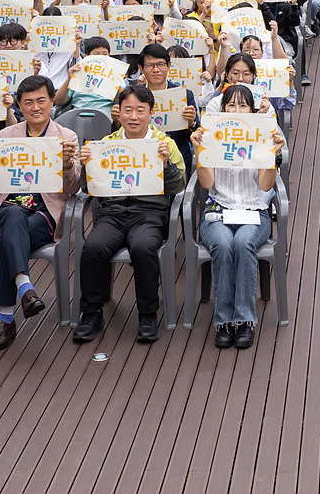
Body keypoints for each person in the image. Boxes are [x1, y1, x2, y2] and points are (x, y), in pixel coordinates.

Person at [0, 76, 81, 354]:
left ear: (51, 101)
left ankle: (6, 317)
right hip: (8, 209)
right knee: (12, 217)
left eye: (41, 100)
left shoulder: (66, 137)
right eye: (28, 102)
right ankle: (25, 289)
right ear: (19, 106)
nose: (35, 107)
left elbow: (72, 188)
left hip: (43, 215)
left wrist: (67, 164)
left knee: (12, 232)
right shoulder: (5, 136)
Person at [74, 85, 187, 344]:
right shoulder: (105, 144)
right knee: (93, 247)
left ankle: (147, 314)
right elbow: (87, 187)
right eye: (128, 110)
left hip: (149, 213)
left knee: (144, 247)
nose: (133, 116)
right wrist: (85, 166)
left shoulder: (164, 144)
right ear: (119, 113)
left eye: (140, 110)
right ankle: (91, 312)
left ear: (150, 113)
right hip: (112, 213)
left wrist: (166, 165)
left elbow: (179, 186)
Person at [190, 84, 285, 349]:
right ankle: (223, 320)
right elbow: (207, 183)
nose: (236, 109)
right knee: (222, 243)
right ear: (222, 110)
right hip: (218, 211)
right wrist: (199, 151)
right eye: (230, 105)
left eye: (243, 105)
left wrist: (272, 155)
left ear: (252, 111)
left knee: (243, 243)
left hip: (254, 213)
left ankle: (244, 319)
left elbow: (266, 186)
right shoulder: (212, 137)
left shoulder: (261, 138)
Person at [137, 43, 199, 172]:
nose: (155, 70)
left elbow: (194, 136)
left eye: (160, 65)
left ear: (169, 66)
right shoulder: (133, 96)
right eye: (150, 65)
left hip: (177, 160)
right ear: (141, 68)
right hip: (140, 159)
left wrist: (191, 123)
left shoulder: (183, 95)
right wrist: (117, 120)